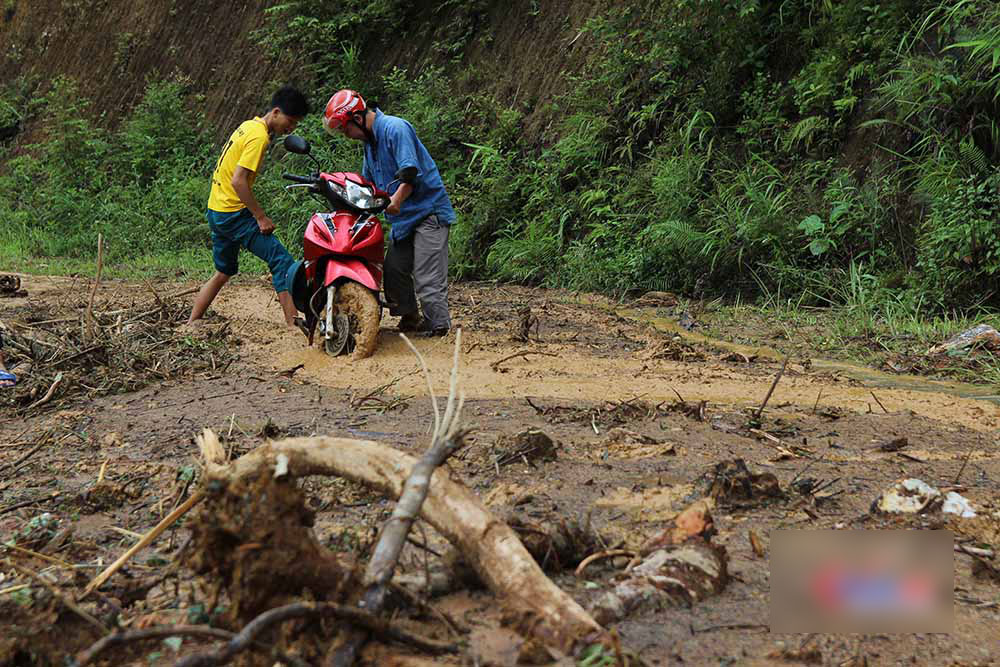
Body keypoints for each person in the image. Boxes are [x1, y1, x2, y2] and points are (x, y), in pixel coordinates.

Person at [322, 89, 455, 337]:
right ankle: (411, 318)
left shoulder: (395, 128)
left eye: (345, 128)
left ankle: (440, 329)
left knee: (428, 278)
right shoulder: (369, 144)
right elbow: (367, 184)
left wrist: (396, 200)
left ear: (358, 118)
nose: (346, 135)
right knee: (393, 270)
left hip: (428, 212)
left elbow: (411, 172)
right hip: (403, 219)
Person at [186, 86, 310, 331]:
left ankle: (191, 322)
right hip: (233, 213)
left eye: (295, 125)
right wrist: (260, 217)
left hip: (217, 210)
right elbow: (238, 180)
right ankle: (293, 326)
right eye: (290, 121)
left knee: (223, 271)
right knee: (281, 261)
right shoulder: (259, 137)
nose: (291, 128)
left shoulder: (248, 126)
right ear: (276, 112)